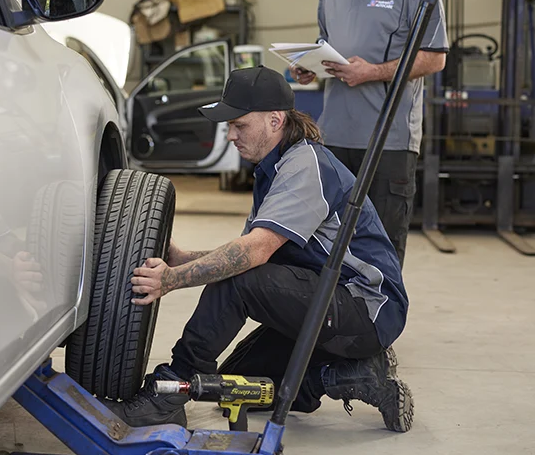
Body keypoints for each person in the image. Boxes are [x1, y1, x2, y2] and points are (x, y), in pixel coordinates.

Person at [102, 66, 413, 433]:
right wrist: (185, 258)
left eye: (239, 124)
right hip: (326, 298)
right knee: (235, 383)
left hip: (366, 308)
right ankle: (346, 376)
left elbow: (252, 255)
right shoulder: (273, 169)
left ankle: (172, 387)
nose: (230, 135)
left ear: (275, 120)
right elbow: (249, 249)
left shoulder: (304, 167)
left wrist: (171, 280)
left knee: (240, 279)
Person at [293, 0, 449, 268]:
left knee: (380, 251)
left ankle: (377, 326)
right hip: (333, 139)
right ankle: (335, 325)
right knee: (330, 249)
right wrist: (311, 66)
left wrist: (373, 72)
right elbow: (326, 42)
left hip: (388, 143)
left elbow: (435, 58)